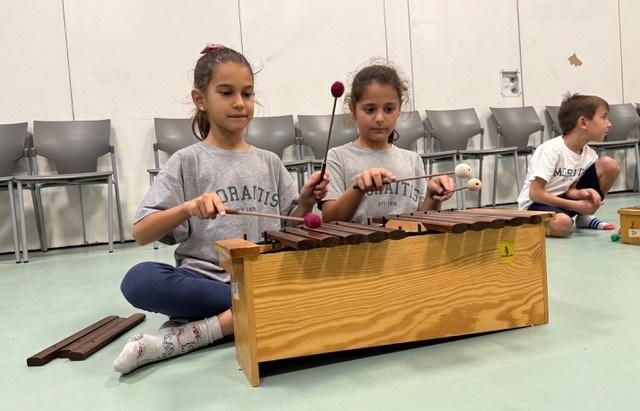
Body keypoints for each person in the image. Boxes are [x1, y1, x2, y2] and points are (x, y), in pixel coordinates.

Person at [113, 43, 328, 374]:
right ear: (200, 99)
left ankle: (190, 335)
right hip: (205, 283)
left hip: (258, 277)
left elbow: (292, 228)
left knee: (317, 281)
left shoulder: (269, 162)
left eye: (247, 93)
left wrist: (306, 201)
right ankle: (253, 312)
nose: (240, 103)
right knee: (138, 280)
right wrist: (188, 207)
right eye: (226, 93)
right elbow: (141, 232)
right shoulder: (187, 161)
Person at [321, 64, 454, 224]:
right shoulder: (338, 157)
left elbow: (422, 222)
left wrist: (433, 197)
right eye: (370, 109)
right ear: (352, 109)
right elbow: (330, 219)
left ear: (399, 110)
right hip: (359, 241)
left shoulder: (412, 160)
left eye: (389, 109)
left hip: (406, 240)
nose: (379, 118)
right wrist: (358, 189)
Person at [517, 93, 620, 237]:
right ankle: (532, 222)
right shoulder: (551, 150)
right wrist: (576, 205)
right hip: (536, 204)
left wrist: (583, 193)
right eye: (604, 117)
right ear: (583, 123)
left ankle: (583, 217)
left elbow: (570, 189)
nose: (609, 123)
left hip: (563, 202)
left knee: (609, 165)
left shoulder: (590, 155)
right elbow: (535, 194)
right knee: (562, 225)